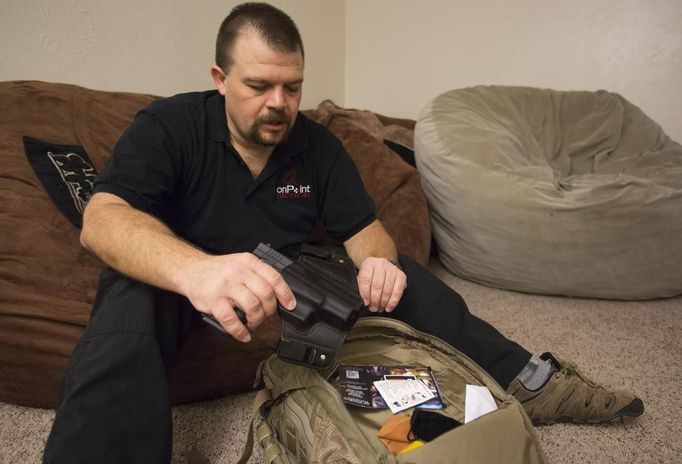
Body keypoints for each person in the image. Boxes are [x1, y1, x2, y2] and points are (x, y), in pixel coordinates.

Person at [42, 3, 643, 463]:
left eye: (293, 87)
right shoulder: (168, 126)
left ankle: (530, 380)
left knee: (404, 270)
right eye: (258, 86)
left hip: (289, 278)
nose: (278, 104)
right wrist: (198, 271)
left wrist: (378, 261)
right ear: (220, 78)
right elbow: (102, 220)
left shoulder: (317, 147)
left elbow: (365, 229)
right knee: (126, 301)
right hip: (188, 278)